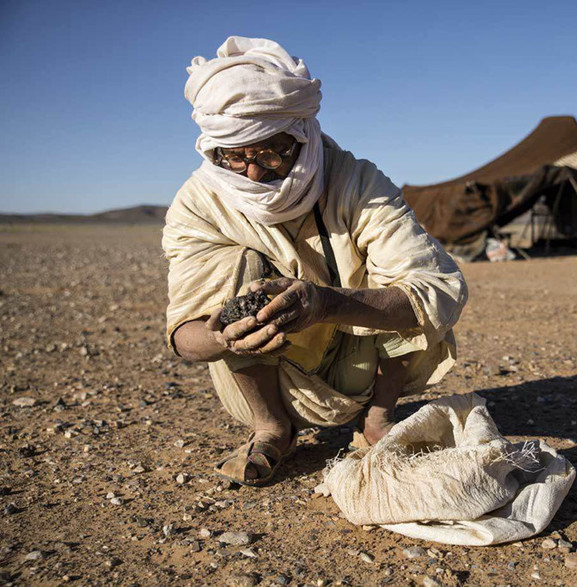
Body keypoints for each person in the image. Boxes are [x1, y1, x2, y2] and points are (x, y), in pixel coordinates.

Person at [162, 37, 467, 486]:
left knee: (410, 286)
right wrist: (225, 336)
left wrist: (325, 303)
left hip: (358, 364)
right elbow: (184, 337)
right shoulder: (199, 204)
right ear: (213, 149)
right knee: (239, 270)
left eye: (270, 151)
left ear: (302, 137)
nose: (253, 172)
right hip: (271, 376)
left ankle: (378, 418)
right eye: (233, 156)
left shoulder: (357, 182)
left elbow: (436, 291)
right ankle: (271, 428)